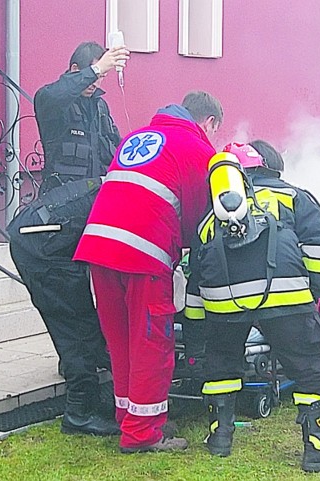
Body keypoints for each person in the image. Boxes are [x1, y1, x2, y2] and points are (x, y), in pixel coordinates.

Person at [184, 141, 320, 472]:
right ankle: (317, 447)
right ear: (273, 167)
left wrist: (195, 329)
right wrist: (315, 292)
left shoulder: (212, 213)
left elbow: (196, 272)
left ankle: (219, 437)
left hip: (223, 303)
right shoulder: (294, 197)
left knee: (221, 367)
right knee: (308, 368)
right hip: (286, 296)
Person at [73, 91, 223, 452]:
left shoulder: (136, 137)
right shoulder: (198, 148)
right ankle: (142, 434)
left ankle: (129, 417)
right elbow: (198, 218)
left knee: (121, 339)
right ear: (209, 123)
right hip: (144, 252)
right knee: (151, 343)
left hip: (99, 246)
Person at [7, 178, 118, 436]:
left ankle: (91, 402)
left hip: (45, 234)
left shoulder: (116, 185)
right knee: (76, 327)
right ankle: (79, 413)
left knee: (84, 325)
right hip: (41, 245)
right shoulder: (125, 198)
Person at [34, 41, 129, 192]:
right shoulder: (51, 99)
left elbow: (117, 146)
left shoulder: (101, 107)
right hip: (61, 201)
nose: (96, 83)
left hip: (96, 197)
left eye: (101, 76)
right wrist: (95, 70)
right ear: (75, 70)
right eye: (95, 75)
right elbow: (54, 95)